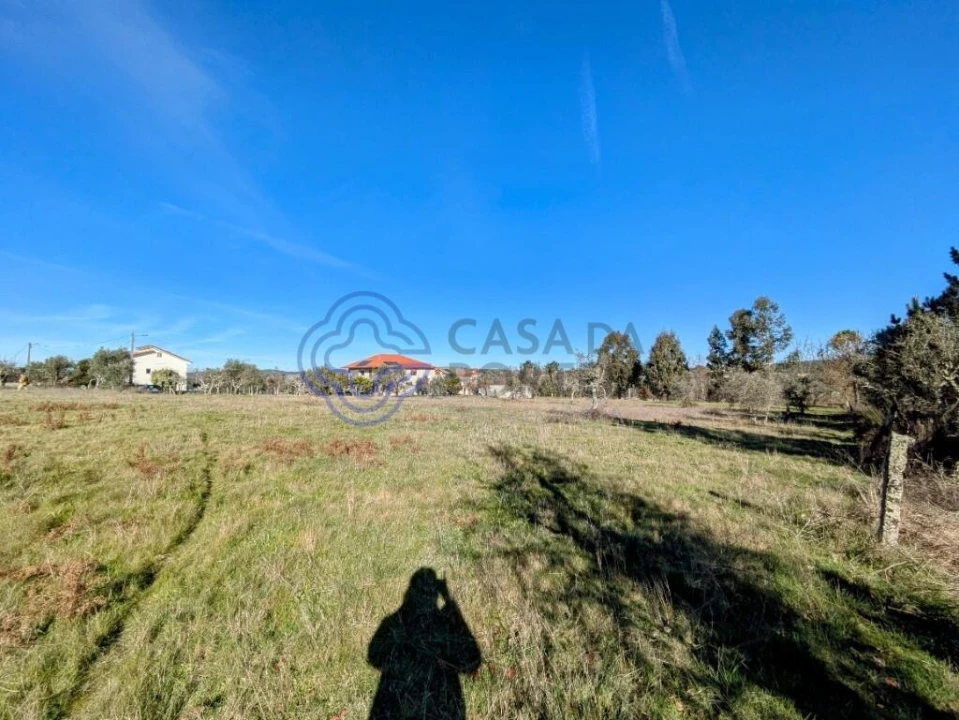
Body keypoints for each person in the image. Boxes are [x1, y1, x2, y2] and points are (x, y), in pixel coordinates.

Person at [368, 568, 481, 720]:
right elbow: (471, 661)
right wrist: (449, 601)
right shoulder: (446, 624)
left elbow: (374, 657)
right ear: (436, 595)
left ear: (409, 593)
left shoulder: (394, 623)